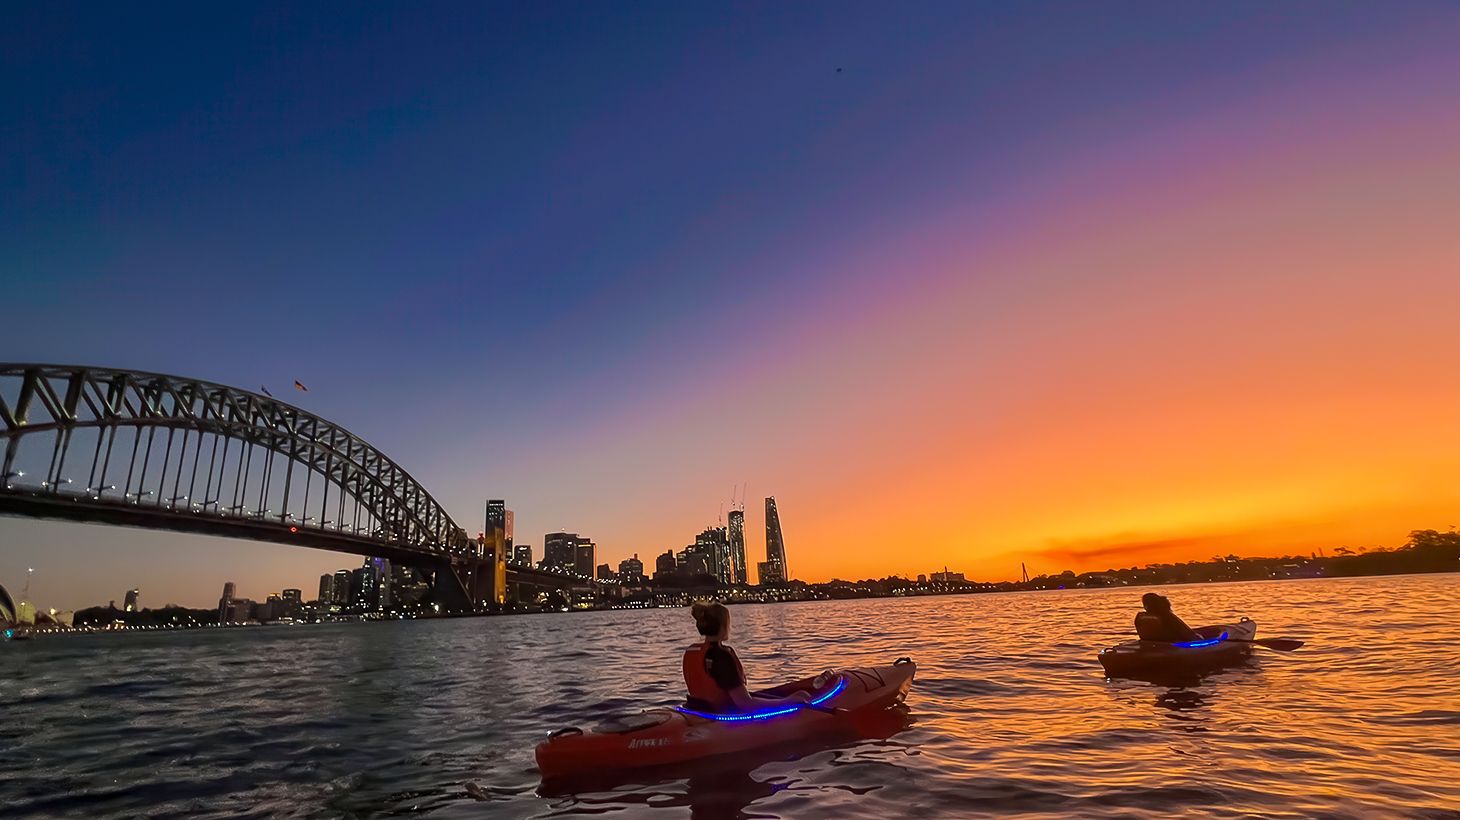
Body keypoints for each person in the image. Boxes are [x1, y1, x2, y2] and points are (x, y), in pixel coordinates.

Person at [683, 601, 810, 713]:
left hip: (698, 710)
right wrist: (788, 701)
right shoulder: (721, 657)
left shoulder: (693, 651)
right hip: (721, 715)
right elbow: (745, 704)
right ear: (723, 626)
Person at [1134, 592, 1200, 642]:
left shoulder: (1140, 617)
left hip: (1154, 645)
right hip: (1171, 645)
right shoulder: (1167, 616)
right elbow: (1187, 633)